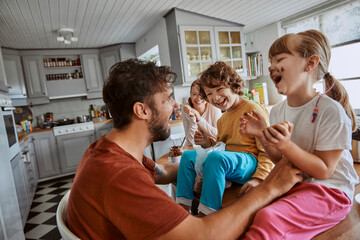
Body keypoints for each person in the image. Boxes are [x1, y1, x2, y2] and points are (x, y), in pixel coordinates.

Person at [66, 58, 302, 240]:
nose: (176, 106)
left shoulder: (104, 151)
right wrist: (270, 188)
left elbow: (161, 171)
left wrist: (197, 168)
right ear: (142, 111)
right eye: (167, 99)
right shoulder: (120, 175)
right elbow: (203, 236)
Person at [239, 29, 359, 239]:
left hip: (332, 191)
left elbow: (323, 171)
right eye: (271, 61)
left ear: (310, 63)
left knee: (269, 218)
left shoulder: (330, 111)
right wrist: (262, 135)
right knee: (247, 210)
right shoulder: (277, 111)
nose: (271, 66)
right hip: (298, 184)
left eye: (280, 59)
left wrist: (286, 145)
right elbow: (281, 160)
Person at [176, 61, 275, 216]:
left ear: (233, 85)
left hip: (249, 163)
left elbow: (267, 149)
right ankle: (182, 209)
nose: (215, 97)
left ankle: (206, 214)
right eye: (209, 94)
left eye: (220, 88)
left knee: (216, 158)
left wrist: (259, 179)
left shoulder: (252, 109)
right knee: (188, 155)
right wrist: (207, 143)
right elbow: (221, 146)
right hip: (229, 162)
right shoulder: (223, 119)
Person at [181, 79, 222, 146]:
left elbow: (218, 135)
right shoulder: (186, 108)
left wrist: (199, 119)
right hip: (193, 149)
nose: (198, 98)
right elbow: (190, 141)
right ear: (190, 94)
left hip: (212, 147)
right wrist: (192, 118)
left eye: (202, 95)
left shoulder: (214, 106)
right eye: (194, 94)